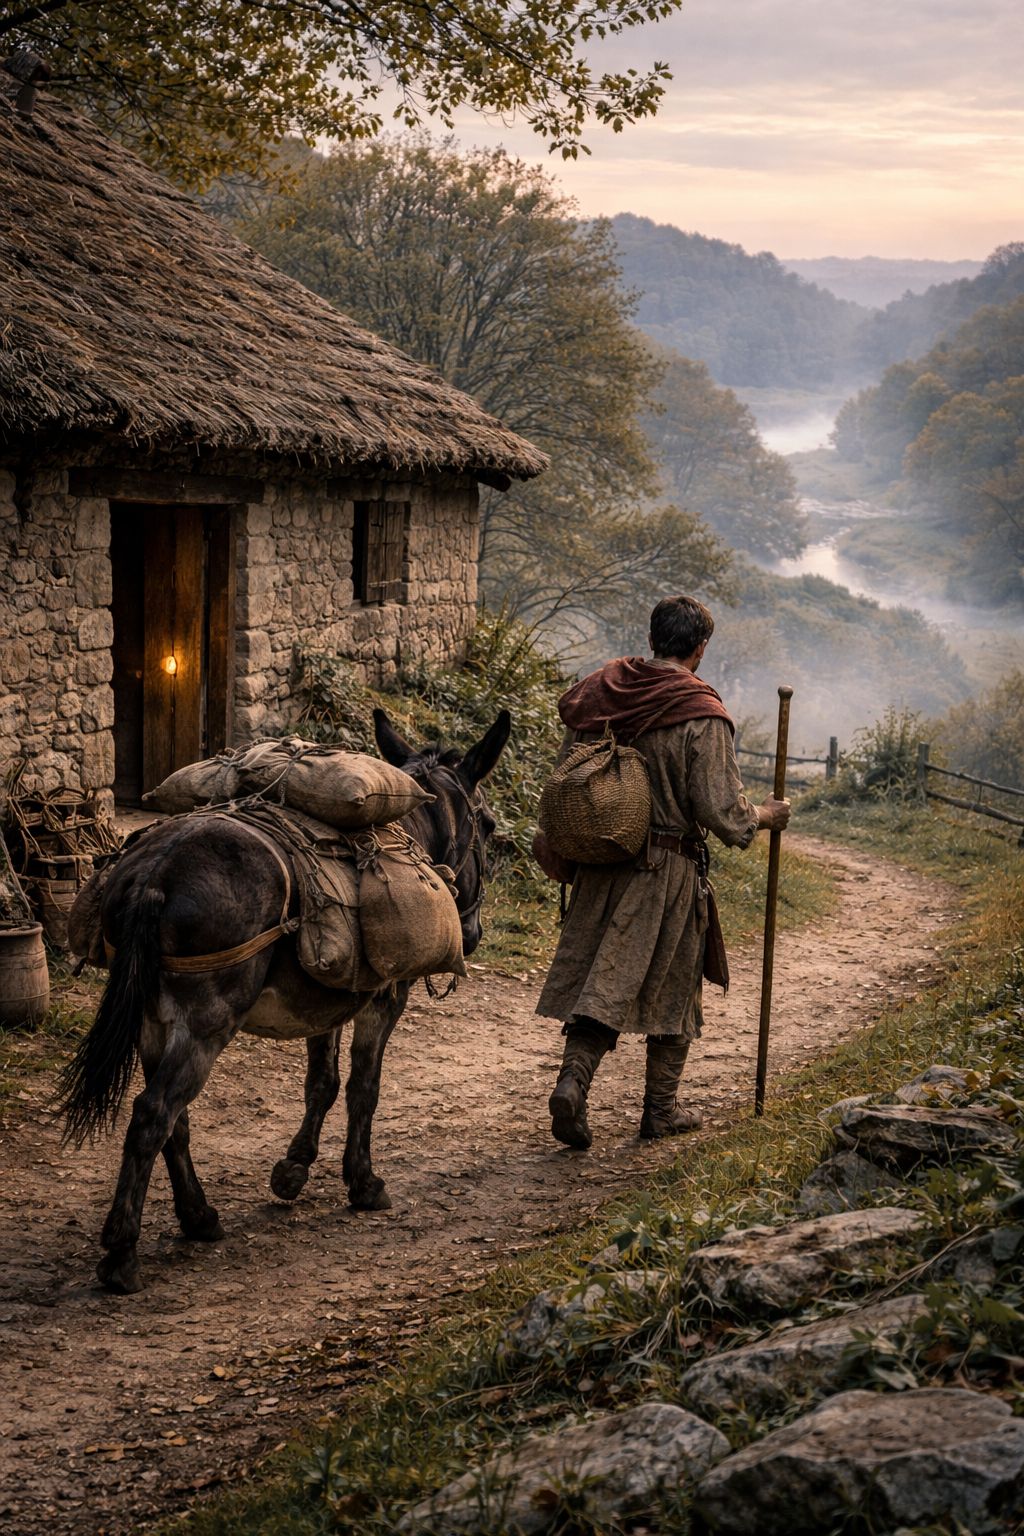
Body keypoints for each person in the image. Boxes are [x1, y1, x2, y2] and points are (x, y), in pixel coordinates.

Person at [536, 594, 791, 1148]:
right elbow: (723, 814)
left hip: (600, 865)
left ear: (653, 638)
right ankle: (659, 1111)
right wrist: (767, 816)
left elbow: (566, 778)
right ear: (700, 648)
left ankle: (573, 1081)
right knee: (675, 988)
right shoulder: (700, 712)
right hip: (666, 872)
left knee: (598, 981)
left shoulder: (601, 694)